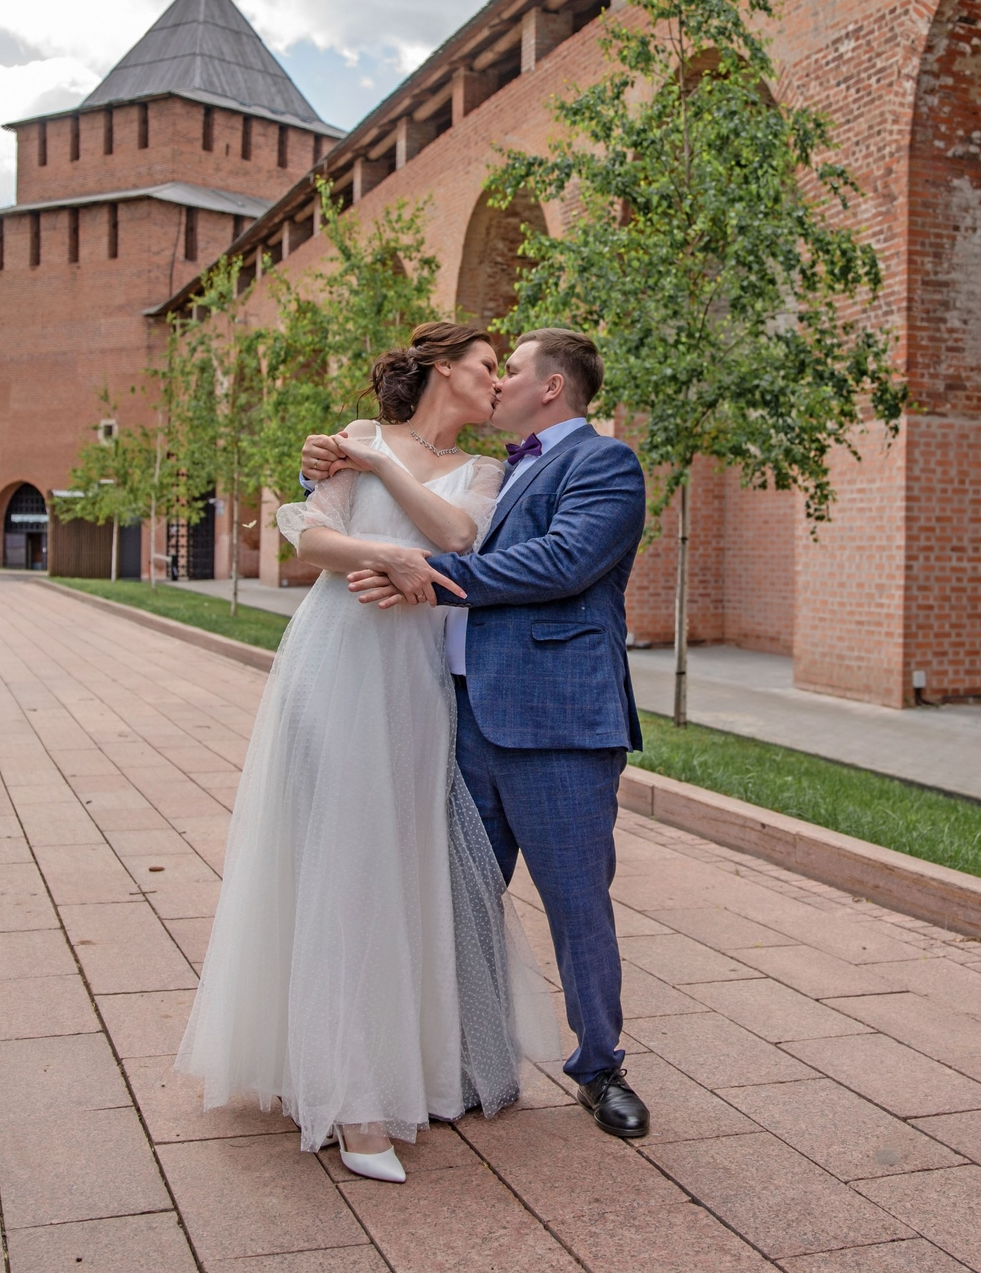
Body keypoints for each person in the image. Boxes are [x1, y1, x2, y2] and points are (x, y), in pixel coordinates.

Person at [175, 322, 560, 1185]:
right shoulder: (348, 439)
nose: (498, 381)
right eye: (487, 365)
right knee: (340, 869)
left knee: (397, 865)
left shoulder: (482, 471)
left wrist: (386, 476)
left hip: (412, 684)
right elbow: (311, 543)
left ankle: (398, 1064)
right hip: (334, 662)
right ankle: (350, 1102)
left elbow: (458, 538)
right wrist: (383, 546)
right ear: (442, 369)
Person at [308, 327, 653, 1142]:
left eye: (515, 371)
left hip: (559, 720)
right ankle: (463, 1060)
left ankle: (600, 1067)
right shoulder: (503, 469)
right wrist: (333, 459)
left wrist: (429, 576)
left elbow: (563, 562)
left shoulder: (604, 464)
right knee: (457, 900)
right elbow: (413, 490)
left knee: (575, 904)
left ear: (554, 388)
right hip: (462, 713)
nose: (498, 386)